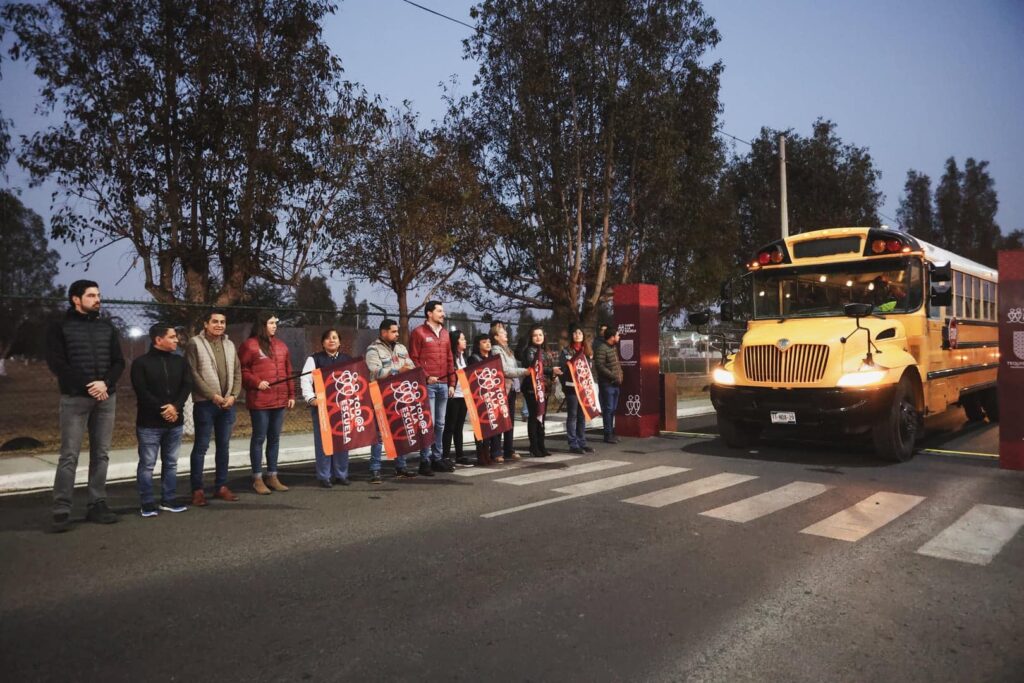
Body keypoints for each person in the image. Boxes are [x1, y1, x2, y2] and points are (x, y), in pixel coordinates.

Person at [45, 279, 124, 531]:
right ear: (75, 299)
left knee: (101, 453)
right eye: (91, 295)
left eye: (98, 295)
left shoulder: (107, 328)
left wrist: (105, 383)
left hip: (105, 397)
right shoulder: (60, 328)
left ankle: (97, 503)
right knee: (69, 455)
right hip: (75, 398)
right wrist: (89, 384)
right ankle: (62, 508)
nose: (97, 299)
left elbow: (119, 362)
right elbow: (58, 364)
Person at [132, 324, 192, 516]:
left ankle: (168, 499)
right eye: (172, 337)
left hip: (175, 422)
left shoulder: (180, 362)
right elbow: (142, 391)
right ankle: (147, 502)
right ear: (158, 340)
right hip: (149, 423)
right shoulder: (141, 363)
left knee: (171, 463)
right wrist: (163, 409)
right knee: (148, 464)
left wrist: (175, 407)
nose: (176, 340)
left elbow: (186, 386)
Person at [185, 309, 242, 506]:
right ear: (206, 324)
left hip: (227, 405)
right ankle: (198, 490)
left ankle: (221, 486)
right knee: (201, 447)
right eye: (215, 321)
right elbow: (193, 374)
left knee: (224, 447)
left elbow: (237, 372)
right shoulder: (195, 343)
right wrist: (213, 396)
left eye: (222, 322)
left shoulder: (229, 344)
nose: (219, 325)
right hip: (205, 404)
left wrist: (233, 395)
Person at [238, 312, 295, 495]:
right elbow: (242, 370)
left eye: (275, 323)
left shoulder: (281, 346)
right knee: (259, 439)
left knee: (275, 439)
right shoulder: (250, 345)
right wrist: (256, 382)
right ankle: (257, 478)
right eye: (271, 323)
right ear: (263, 324)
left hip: (279, 400)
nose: (274, 326)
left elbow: (288, 371)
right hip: (260, 401)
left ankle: (272, 475)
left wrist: (291, 394)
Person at [364, 318, 417, 483]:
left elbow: (411, 366)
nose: (397, 334)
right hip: (380, 396)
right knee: (379, 435)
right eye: (393, 331)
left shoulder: (401, 348)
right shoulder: (373, 349)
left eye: (397, 331)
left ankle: (401, 467)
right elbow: (375, 372)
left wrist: (405, 370)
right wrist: (397, 371)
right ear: (383, 332)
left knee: (400, 431)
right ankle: (375, 470)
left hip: (399, 396)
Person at [408, 300, 456, 475]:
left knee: (440, 424)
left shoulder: (444, 333)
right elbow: (414, 358)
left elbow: (450, 359)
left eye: (442, 311)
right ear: (429, 313)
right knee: (429, 423)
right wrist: (427, 377)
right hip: (428, 385)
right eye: (439, 311)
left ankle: (437, 458)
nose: (443, 314)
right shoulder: (418, 333)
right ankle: (425, 460)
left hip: (444, 384)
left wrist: (452, 383)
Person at [300, 328, 352, 488]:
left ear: (340, 342)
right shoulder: (314, 359)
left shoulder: (347, 359)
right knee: (324, 442)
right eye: (328, 338)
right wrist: (310, 398)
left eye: (335, 338)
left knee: (343, 440)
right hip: (322, 407)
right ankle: (324, 475)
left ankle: (341, 474)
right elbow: (305, 380)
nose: (332, 340)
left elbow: (354, 381)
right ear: (323, 343)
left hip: (342, 407)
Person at [516, 325, 562, 457]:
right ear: (531, 337)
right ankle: (534, 447)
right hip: (532, 388)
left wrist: (553, 374)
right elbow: (535, 368)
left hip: (545, 388)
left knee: (541, 418)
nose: (538, 337)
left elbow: (549, 367)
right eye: (535, 335)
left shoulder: (545, 350)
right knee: (534, 417)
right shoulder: (529, 351)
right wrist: (551, 370)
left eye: (540, 335)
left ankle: (541, 446)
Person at [490, 321, 528, 462]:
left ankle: (508, 449)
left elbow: (513, 366)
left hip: (511, 388)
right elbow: (504, 370)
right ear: (496, 337)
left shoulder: (507, 349)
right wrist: (524, 371)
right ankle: (496, 451)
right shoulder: (496, 350)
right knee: (501, 420)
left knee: (510, 420)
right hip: (502, 389)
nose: (506, 334)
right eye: (502, 332)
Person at [559, 323, 594, 455]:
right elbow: (562, 369)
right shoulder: (566, 351)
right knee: (572, 416)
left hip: (583, 389)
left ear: (583, 335)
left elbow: (590, 370)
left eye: (579, 333)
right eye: (574, 333)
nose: (577, 335)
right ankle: (573, 443)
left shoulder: (588, 351)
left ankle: (582, 442)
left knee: (581, 416)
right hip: (571, 389)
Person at [468, 334, 501, 466]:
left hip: (491, 395)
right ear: (478, 344)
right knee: (481, 426)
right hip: (479, 396)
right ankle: (481, 453)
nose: (488, 344)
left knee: (491, 424)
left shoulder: (493, 358)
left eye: (489, 341)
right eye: (484, 342)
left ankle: (488, 453)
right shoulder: (473, 359)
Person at [442, 329, 470, 466]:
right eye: (462, 339)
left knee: (459, 426)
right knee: (450, 426)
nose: (465, 341)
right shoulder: (451, 357)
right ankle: (445, 455)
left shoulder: (463, 356)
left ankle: (460, 455)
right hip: (453, 395)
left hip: (463, 394)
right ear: (455, 341)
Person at [593, 326, 623, 444]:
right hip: (607, 384)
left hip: (615, 383)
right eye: (617, 335)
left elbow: (616, 364)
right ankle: (607, 434)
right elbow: (600, 366)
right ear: (612, 337)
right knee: (608, 409)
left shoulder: (613, 348)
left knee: (613, 409)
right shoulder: (602, 349)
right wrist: (613, 376)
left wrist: (620, 375)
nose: (619, 337)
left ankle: (611, 432)